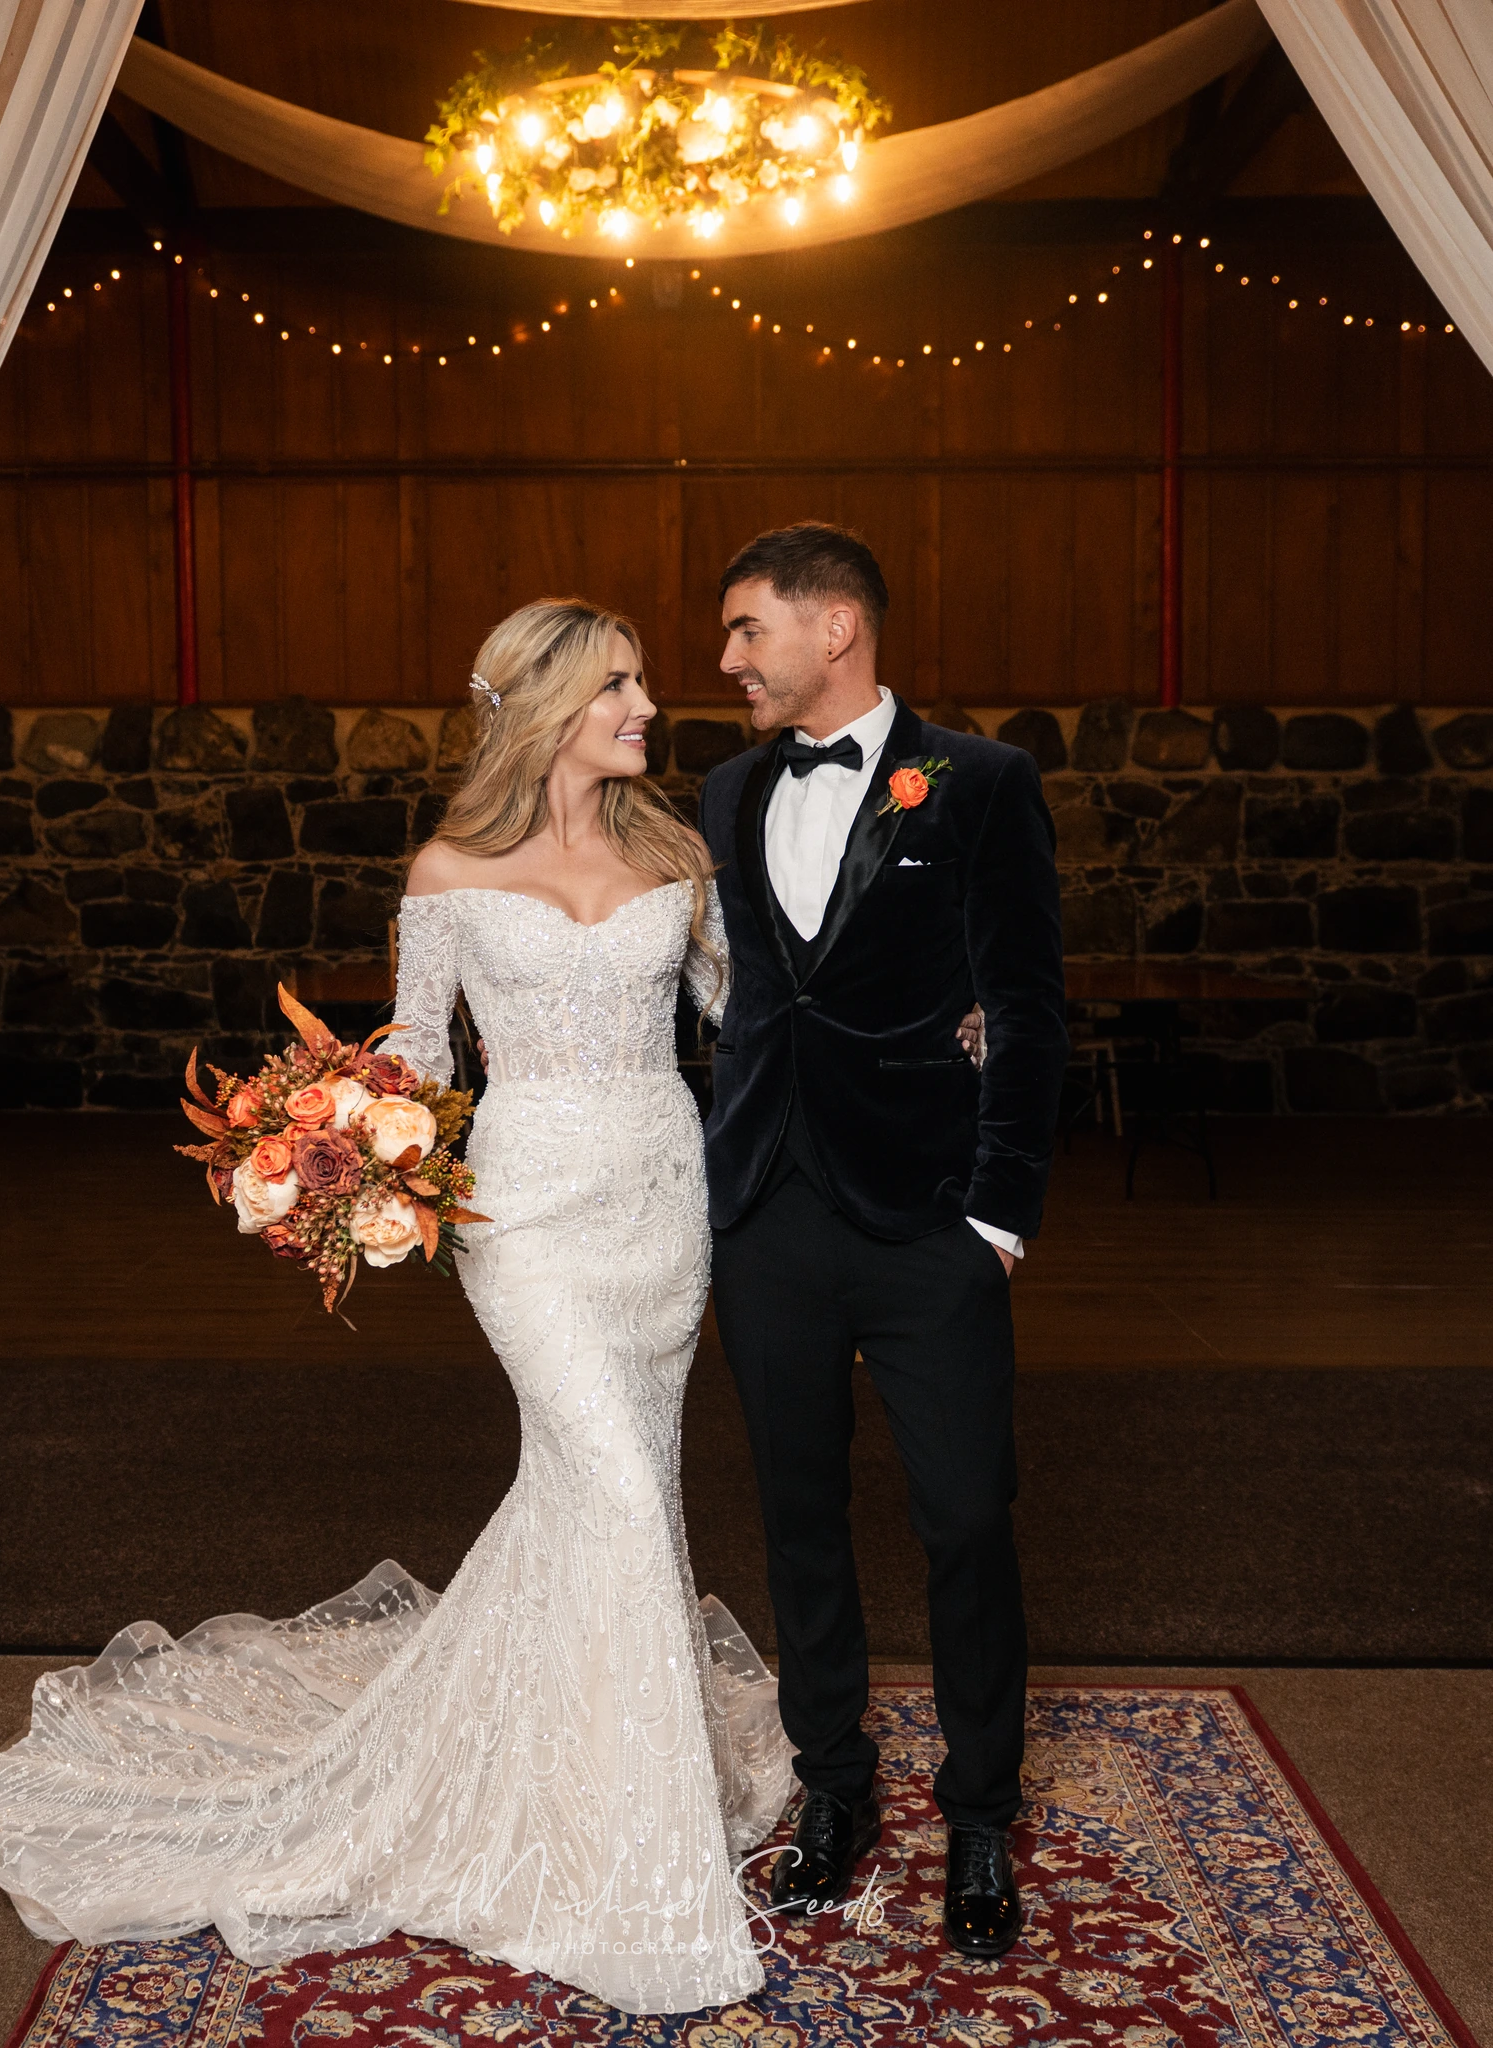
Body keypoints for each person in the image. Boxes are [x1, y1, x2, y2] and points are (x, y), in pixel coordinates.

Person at [0, 600, 796, 2017]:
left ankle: (587, 1761)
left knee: (630, 1489)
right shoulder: (448, 868)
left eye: (644, 680)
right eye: (620, 684)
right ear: (542, 706)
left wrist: (911, 1039)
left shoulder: (674, 852)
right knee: (600, 1475)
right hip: (525, 1220)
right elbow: (413, 1053)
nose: (650, 703)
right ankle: (634, 1862)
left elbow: (754, 1019)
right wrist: (329, 1147)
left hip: (662, 1209)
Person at [698, 522, 1069, 1959]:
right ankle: (833, 1792)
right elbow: (736, 992)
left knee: (966, 1516)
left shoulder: (979, 783)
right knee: (797, 1518)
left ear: (832, 627)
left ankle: (981, 1815)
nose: (726, 660)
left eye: (745, 630)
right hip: (770, 1217)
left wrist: (997, 1215)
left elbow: (1025, 1005)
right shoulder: (727, 788)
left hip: (930, 1223)